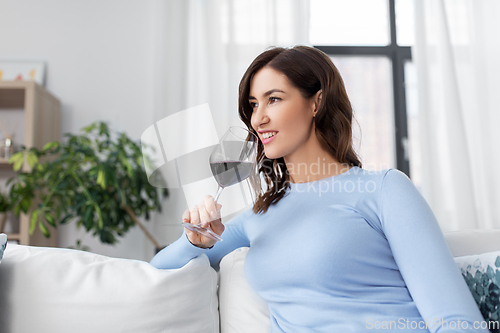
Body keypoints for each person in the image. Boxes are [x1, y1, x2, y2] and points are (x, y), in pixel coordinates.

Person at [150, 46, 488, 332]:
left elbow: (456, 320)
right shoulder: (259, 215)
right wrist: (193, 240)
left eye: (274, 99)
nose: (258, 119)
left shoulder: (383, 190)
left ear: (316, 102)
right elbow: (160, 272)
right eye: (254, 104)